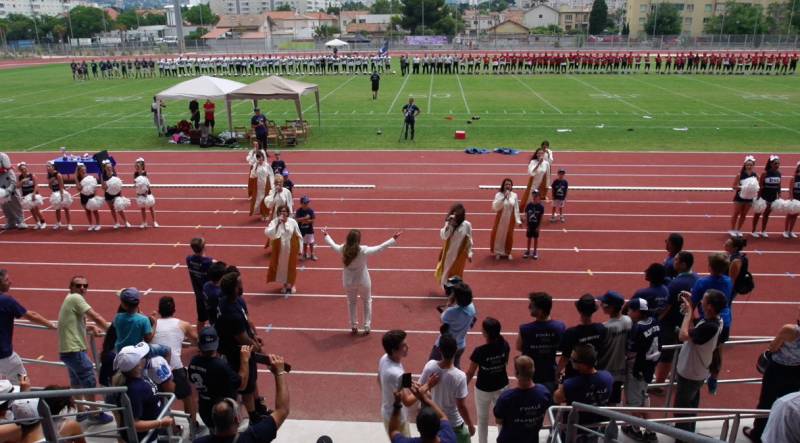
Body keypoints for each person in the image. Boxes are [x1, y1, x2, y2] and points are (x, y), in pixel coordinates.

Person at [195, 352, 289, 443]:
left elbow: (282, 411)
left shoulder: (198, 442)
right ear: (237, 419)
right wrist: (279, 373)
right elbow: (282, 410)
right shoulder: (254, 437)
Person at [323, 227, 400, 335]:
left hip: (348, 281)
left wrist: (326, 235)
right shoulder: (363, 250)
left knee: (352, 303)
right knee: (367, 301)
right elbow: (379, 248)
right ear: (358, 240)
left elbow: (333, 245)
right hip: (363, 280)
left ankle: (353, 326)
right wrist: (393, 239)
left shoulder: (343, 249)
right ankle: (367, 326)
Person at [58, 275, 113, 424]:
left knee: (76, 381)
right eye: (78, 285)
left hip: (66, 351)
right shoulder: (76, 298)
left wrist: (88, 327)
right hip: (75, 350)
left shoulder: (69, 298)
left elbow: (73, 321)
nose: (82, 288)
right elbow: (94, 316)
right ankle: (94, 414)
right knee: (89, 380)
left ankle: (81, 412)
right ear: (71, 287)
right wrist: (112, 331)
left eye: (85, 285)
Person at [214, 272, 266, 424]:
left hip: (241, 346)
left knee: (252, 379)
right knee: (247, 386)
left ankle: (257, 407)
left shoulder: (230, 301)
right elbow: (241, 337)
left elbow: (246, 324)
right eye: (240, 283)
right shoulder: (231, 313)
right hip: (237, 352)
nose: (243, 285)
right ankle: (253, 416)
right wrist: (256, 346)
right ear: (235, 288)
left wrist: (254, 337)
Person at [743, 307, 800, 442]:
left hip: (777, 370)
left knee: (766, 401)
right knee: (786, 404)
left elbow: (773, 347)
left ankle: (757, 433)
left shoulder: (790, 330)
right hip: (796, 372)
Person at [673, 289, 726, 435]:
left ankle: (683, 437)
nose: (700, 302)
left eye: (703, 300)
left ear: (709, 306)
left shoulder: (710, 326)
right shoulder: (715, 321)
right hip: (698, 372)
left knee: (681, 411)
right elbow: (696, 326)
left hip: (690, 373)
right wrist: (692, 305)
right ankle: (689, 434)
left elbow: (683, 335)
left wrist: (688, 312)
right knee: (691, 406)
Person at [152, 296, 200, 433]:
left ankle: (171, 428)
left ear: (159, 310)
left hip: (156, 368)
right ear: (174, 310)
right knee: (187, 397)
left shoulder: (153, 324)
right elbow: (197, 341)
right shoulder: (183, 325)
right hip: (174, 367)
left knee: (162, 399)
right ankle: (193, 424)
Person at [188, 327, 252, 432]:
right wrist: (244, 360)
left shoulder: (194, 362)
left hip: (205, 409)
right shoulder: (220, 366)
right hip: (223, 413)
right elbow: (242, 385)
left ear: (199, 345)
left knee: (214, 433)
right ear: (217, 343)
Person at [0, 269, 56, 383]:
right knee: (24, 382)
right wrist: (50, 324)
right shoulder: (6, 301)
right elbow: (31, 315)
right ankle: (23, 399)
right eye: (6, 280)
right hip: (5, 356)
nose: (10, 282)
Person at [111, 342, 175, 442]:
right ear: (138, 364)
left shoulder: (132, 380)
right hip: (145, 438)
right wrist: (161, 423)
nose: (146, 358)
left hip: (147, 435)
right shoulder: (136, 389)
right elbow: (134, 424)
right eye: (143, 357)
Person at [419, 334, 476, 443]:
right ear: (456, 350)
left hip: (435, 421)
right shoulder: (460, 376)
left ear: (439, 350)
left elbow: (420, 388)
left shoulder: (430, 366)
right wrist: (470, 425)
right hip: (454, 424)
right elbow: (461, 406)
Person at [654, 251, 698, 391]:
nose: (674, 261)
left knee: (666, 354)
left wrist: (657, 320)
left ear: (683, 264)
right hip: (687, 322)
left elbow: (667, 306)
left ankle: (659, 384)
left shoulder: (676, 283)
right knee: (681, 352)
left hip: (671, 323)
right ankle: (678, 378)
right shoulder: (697, 279)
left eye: (677, 260)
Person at [690, 253, 733, 395]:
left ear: (710, 266)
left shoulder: (702, 283)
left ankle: (695, 377)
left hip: (708, 321)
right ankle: (713, 379)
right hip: (725, 321)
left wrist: (689, 322)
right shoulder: (728, 281)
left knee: (699, 349)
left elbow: (692, 304)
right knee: (718, 350)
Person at [620, 298, 661, 442]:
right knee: (644, 397)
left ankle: (635, 429)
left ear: (638, 312)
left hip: (637, 369)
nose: (629, 312)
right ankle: (650, 430)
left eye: (631, 310)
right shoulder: (655, 322)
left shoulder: (637, 328)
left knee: (633, 402)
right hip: (650, 367)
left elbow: (631, 352)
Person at [553, 344, 613, 439]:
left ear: (583, 365)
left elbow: (556, 398)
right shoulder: (608, 377)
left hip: (574, 427)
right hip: (595, 426)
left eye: (573, 360)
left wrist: (561, 384)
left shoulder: (570, 384)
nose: (570, 361)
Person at [465, 317, 510, 443]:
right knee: (502, 417)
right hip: (502, 386)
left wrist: (462, 389)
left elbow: (470, 372)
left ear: (486, 333)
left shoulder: (479, 351)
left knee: (482, 419)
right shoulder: (505, 345)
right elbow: (505, 363)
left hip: (483, 390)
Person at [493, 355, 552, 443]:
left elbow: (499, 421)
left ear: (516, 374)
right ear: (533, 371)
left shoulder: (506, 398)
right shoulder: (544, 393)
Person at [517, 292, 565, 393]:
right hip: (550, 375)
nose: (529, 307)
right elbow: (564, 349)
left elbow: (519, 347)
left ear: (541, 310)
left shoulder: (525, 329)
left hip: (530, 376)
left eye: (532, 305)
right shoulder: (560, 327)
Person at [558, 294, 607, 380]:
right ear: (594, 310)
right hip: (594, 373)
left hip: (574, 376)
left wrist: (557, 372)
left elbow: (565, 357)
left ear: (579, 310)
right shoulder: (601, 329)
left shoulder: (571, 333)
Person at [430, 279, 477, 369]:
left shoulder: (452, 312)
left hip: (445, 345)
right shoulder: (472, 307)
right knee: (454, 368)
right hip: (460, 345)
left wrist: (449, 304)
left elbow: (442, 319)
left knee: (432, 367)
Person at [388, 383, 456, 443]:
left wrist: (397, 404)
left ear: (418, 428)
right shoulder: (450, 438)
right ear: (438, 426)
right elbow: (443, 416)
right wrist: (424, 398)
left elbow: (393, 431)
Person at [379, 330, 417, 436]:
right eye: (403, 345)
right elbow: (408, 401)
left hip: (388, 412)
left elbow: (378, 379)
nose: (408, 346)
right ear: (393, 350)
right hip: (397, 420)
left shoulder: (384, 358)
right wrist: (427, 386)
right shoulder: (396, 374)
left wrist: (407, 383)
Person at [596, 291, 631, 407]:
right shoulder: (628, 320)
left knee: (601, 401)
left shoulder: (605, 327)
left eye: (604, 304)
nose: (601, 306)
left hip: (605, 369)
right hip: (620, 370)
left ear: (610, 307)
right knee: (614, 401)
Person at [265, 205, 302, 295]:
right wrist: (277, 224)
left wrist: (300, 249)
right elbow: (268, 233)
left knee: (292, 267)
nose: (283, 213)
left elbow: (299, 235)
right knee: (282, 267)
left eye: (285, 211)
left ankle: (292, 284)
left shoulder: (292, 222)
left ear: (288, 212)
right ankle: (285, 285)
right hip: (280, 250)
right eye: (281, 212)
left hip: (291, 249)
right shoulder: (274, 222)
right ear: (278, 213)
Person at [435, 203, 473, 288]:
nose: (454, 218)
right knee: (445, 273)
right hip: (448, 254)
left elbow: (469, 240)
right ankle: (447, 288)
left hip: (459, 255)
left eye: (456, 217)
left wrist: (470, 253)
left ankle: (454, 289)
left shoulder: (467, 225)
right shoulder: (450, 225)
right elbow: (444, 236)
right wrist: (448, 225)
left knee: (456, 273)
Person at [490, 178, 521, 260]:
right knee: (499, 235)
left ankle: (508, 252)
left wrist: (518, 220)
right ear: (503, 185)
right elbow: (495, 207)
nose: (508, 186)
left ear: (511, 186)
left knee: (509, 235)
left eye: (509, 184)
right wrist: (504, 197)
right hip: (500, 219)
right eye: (506, 184)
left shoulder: (514, 195)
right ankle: (498, 252)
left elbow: (516, 208)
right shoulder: (498, 195)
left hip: (510, 219)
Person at [186, 238, 214, 329]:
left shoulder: (189, 259)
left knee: (201, 319)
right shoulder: (209, 262)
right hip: (210, 296)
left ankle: (198, 339)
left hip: (199, 295)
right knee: (214, 319)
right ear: (204, 247)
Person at [752, 155, 782, 238]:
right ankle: (754, 230)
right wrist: (758, 197)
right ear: (771, 164)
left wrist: (779, 194)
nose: (777, 165)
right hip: (763, 197)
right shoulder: (764, 174)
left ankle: (763, 230)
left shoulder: (779, 173)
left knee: (767, 214)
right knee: (758, 213)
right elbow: (760, 186)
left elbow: (779, 185)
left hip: (772, 197)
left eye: (778, 163)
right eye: (775, 163)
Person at [730, 156, 758, 238]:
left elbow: (758, 185)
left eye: (751, 165)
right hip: (739, 197)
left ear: (753, 165)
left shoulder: (755, 175)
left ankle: (738, 229)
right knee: (736, 213)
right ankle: (732, 229)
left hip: (749, 198)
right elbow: (733, 186)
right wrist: (743, 187)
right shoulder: (740, 175)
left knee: (744, 214)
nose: (749, 166)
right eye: (747, 165)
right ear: (745, 165)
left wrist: (754, 189)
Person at [100, 160, 130, 229]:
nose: (109, 168)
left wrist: (121, 195)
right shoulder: (103, 175)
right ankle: (116, 223)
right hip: (108, 194)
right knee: (112, 209)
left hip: (117, 194)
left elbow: (119, 185)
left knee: (119, 208)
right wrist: (108, 186)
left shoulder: (114, 174)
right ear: (105, 168)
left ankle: (126, 222)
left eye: (110, 167)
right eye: (108, 167)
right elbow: (103, 187)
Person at [15, 162, 46, 229]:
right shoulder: (20, 177)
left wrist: (34, 193)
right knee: (31, 210)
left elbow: (36, 185)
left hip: (33, 194)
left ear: (26, 168)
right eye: (21, 169)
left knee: (36, 209)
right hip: (26, 195)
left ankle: (43, 222)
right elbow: (17, 186)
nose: (23, 170)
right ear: (19, 170)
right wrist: (22, 181)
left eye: (24, 168)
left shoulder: (32, 175)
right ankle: (37, 223)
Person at [46, 161, 73, 230]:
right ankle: (58, 223)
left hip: (61, 192)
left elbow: (61, 186)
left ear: (53, 167)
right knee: (57, 209)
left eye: (49, 166)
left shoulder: (58, 175)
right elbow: (49, 186)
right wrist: (51, 181)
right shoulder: (49, 175)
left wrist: (61, 196)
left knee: (66, 208)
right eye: (47, 166)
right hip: (55, 193)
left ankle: (69, 224)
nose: (48, 168)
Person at [76, 163, 102, 231]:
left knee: (95, 211)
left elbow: (95, 187)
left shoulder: (90, 177)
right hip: (83, 196)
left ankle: (98, 224)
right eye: (82, 170)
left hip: (91, 196)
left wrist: (95, 196)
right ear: (79, 171)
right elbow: (79, 188)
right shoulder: (78, 179)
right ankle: (91, 225)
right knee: (87, 211)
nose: (84, 171)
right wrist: (76, 177)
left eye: (84, 170)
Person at [133, 158, 158, 228]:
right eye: (136, 166)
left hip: (147, 193)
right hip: (140, 193)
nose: (137, 168)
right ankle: (144, 222)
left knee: (151, 207)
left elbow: (148, 183)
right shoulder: (135, 174)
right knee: (142, 208)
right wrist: (138, 191)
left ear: (142, 166)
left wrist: (146, 192)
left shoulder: (145, 173)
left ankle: (154, 221)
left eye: (138, 166)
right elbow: (135, 183)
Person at [250, 150, 274, 220]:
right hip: (258, 186)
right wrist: (255, 167)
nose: (260, 159)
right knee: (259, 200)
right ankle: (262, 214)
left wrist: (272, 185)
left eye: (261, 157)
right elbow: (252, 176)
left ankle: (266, 214)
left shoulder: (267, 165)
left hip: (266, 185)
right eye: (258, 158)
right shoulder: (255, 166)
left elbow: (271, 175)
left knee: (266, 199)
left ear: (263, 158)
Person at [202, 261, 227, 326]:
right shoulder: (219, 293)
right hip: (219, 320)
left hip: (211, 316)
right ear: (222, 277)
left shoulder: (206, 285)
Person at [524, 190, 545, 260]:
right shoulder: (529, 205)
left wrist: (539, 227)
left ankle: (535, 251)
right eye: (533, 195)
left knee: (536, 239)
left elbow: (541, 218)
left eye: (536, 196)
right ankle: (528, 251)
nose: (535, 197)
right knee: (529, 238)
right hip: (530, 225)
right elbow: (526, 215)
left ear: (539, 197)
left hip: (536, 226)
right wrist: (526, 225)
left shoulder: (541, 207)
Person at [296, 196, 317, 261]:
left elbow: (313, 220)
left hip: (309, 230)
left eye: (307, 203)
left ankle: (312, 254)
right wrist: (305, 218)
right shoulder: (299, 211)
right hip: (302, 230)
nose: (306, 204)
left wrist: (306, 221)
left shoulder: (310, 211)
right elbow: (297, 219)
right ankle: (304, 254)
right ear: (301, 203)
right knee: (304, 243)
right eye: (305, 203)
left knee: (311, 242)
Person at [784, 160, 800, 239]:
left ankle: (791, 231)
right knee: (790, 215)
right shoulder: (794, 178)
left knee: (796, 215)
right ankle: (786, 231)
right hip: (794, 199)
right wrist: (791, 198)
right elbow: (790, 189)